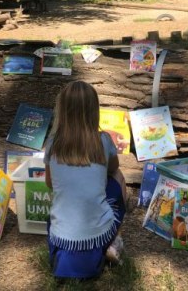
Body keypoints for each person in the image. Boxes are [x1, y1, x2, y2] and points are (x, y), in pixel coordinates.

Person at [44, 81, 127, 280]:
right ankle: (113, 241)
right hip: (97, 236)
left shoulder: (52, 143)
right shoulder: (104, 140)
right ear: (94, 111)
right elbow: (114, 168)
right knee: (118, 178)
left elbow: (49, 183)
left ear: (62, 110)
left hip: (62, 237)